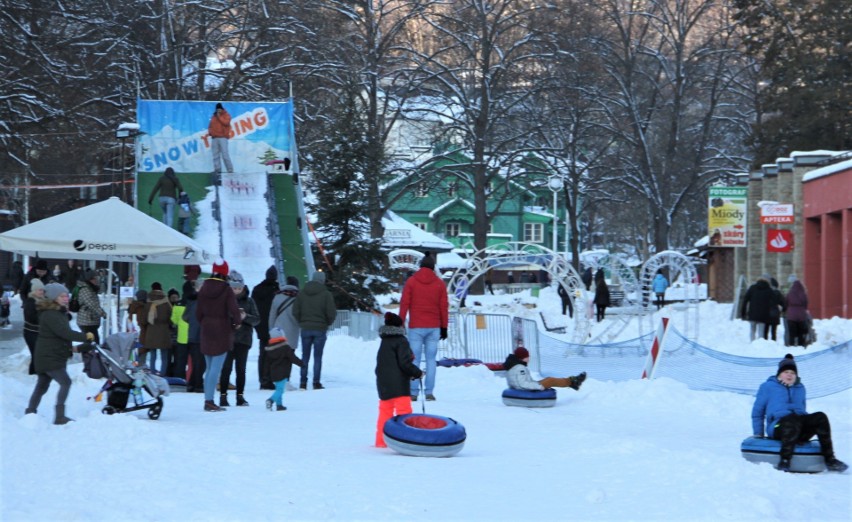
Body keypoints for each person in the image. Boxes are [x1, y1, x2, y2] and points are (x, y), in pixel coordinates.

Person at [751, 354, 847, 472]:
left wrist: (805, 425)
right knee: (791, 419)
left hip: (797, 424)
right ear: (779, 374)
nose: (789, 375)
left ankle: (830, 459)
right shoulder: (768, 387)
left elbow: (802, 409)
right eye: (786, 372)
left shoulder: (800, 388)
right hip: (778, 426)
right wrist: (758, 434)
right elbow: (758, 412)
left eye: (792, 373)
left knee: (820, 417)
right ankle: (785, 460)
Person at [25, 283, 95, 424]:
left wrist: (74, 348)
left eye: (66, 295)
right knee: (65, 382)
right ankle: (59, 416)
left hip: (49, 354)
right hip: (49, 356)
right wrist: (85, 336)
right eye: (62, 296)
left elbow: (59, 335)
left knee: (42, 385)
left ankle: (30, 412)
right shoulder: (51, 314)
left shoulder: (57, 313)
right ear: (53, 298)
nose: (66, 298)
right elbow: (65, 333)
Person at [398, 252, 448, 401]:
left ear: (420, 266)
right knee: (431, 360)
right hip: (434, 326)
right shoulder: (439, 283)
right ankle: (429, 392)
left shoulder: (412, 282)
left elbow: (404, 303)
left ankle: (413, 392)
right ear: (433, 267)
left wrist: (401, 322)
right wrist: (444, 327)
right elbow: (443, 307)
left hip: (416, 326)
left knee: (415, 359)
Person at [196, 258, 243, 412]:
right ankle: (209, 401)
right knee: (216, 368)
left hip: (207, 330)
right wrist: (236, 324)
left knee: (209, 368)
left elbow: (198, 313)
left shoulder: (203, 288)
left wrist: (205, 322)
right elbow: (234, 310)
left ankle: (207, 399)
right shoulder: (226, 289)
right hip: (222, 330)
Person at [374, 312, 423, 448]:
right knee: (404, 413)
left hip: (383, 382)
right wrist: (417, 372)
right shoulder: (401, 341)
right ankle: (406, 440)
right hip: (399, 384)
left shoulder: (384, 341)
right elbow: (404, 363)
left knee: (385, 412)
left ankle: (381, 441)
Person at [219, 271, 259, 407]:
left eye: (239, 288)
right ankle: (223, 396)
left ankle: (240, 396)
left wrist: (245, 317)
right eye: (234, 288)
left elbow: (257, 319)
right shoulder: (224, 300)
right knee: (226, 368)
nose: (236, 290)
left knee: (241, 369)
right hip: (227, 339)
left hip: (243, 339)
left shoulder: (249, 301)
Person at [292, 271, 337, 390]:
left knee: (305, 356)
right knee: (318, 357)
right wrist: (327, 323)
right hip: (320, 329)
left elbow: (295, 311)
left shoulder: (302, 293)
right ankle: (316, 382)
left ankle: (303, 382)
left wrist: (301, 322)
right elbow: (331, 313)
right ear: (323, 280)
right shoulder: (326, 294)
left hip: (305, 329)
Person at [503, 346, 587, 392]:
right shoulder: (519, 368)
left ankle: (572, 382)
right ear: (522, 358)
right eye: (527, 357)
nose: (529, 358)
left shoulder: (514, 365)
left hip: (525, 386)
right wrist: (538, 386)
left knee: (548, 379)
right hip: (525, 389)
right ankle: (573, 381)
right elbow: (523, 384)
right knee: (551, 380)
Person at [268, 275, 300, 388]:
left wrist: (271, 330)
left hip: (278, 331)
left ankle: (277, 379)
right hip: (292, 330)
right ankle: (286, 380)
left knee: (279, 357)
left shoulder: (277, 296)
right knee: (289, 356)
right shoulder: (298, 298)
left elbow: (272, 315)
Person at [251, 265, 280, 390]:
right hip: (272, 325)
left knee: (262, 353)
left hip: (260, 325)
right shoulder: (276, 290)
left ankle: (262, 379)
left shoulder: (257, 289)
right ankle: (268, 379)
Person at [263, 327, 304, 412]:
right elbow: (292, 358)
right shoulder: (285, 347)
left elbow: (266, 363)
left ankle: (279, 405)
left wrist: (266, 373)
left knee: (278, 388)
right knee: (280, 390)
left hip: (273, 373)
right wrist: (301, 363)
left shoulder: (269, 349)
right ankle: (270, 400)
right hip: (283, 372)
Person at [141, 282, 172, 375]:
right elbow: (171, 317)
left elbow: (143, 320)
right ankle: (162, 374)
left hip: (151, 331)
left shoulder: (148, 302)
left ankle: (153, 373)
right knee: (164, 355)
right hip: (164, 331)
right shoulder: (166, 302)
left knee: (153, 354)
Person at [741, 274, 780, 341]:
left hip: (752, 313)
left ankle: (752, 343)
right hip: (763, 315)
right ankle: (760, 345)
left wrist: (743, 313)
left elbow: (745, 300)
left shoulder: (752, 288)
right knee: (761, 332)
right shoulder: (769, 289)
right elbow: (775, 301)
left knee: (752, 330)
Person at [182, 279, 205, 393]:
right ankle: (197, 384)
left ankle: (192, 383)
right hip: (199, 335)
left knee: (198, 361)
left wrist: (192, 321)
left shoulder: (191, 300)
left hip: (194, 334)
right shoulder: (203, 301)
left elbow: (184, 317)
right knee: (200, 362)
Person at [75, 269, 106, 345]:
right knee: (91, 344)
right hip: (86, 321)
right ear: (89, 279)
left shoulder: (90, 288)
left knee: (92, 343)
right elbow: (91, 304)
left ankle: (90, 355)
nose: (96, 280)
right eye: (95, 278)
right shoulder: (85, 289)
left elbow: (101, 290)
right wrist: (102, 313)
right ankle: (88, 356)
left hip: (90, 321)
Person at [23, 279, 46, 374]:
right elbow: (31, 317)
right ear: (34, 291)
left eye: (42, 290)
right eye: (39, 290)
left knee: (39, 354)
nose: (42, 292)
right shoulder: (30, 301)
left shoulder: (43, 300)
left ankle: (37, 373)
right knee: (36, 354)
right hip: (30, 332)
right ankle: (32, 374)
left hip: (39, 332)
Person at [784, 276, 811, 347]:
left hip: (791, 315)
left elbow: (786, 302)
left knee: (792, 332)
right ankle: (800, 344)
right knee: (800, 332)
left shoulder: (790, 293)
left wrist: (788, 309)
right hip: (801, 315)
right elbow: (806, 303)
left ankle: (791, 344)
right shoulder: (803, 293)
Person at [170, 288, 190, 382]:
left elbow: (173, 320)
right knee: (192, 360)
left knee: (180, 359)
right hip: (193, 336)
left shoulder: (177, 306)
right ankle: (190, 376)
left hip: (181, 337)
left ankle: (179, 377)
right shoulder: (193, 304)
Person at [208, 102, 234, 175]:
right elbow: (210, 125)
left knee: (225, 154)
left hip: (223, 137)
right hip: (214, 138)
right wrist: (210, 132)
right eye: (217, 110)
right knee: (215, 155)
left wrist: (219, 116)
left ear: (222, 109)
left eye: (219, 109)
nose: (218, 111)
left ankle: (230, 170)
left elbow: (226, 123)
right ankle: (217, 170)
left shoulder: (226, 115)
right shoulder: (214, 116)